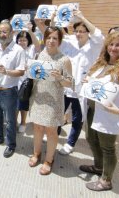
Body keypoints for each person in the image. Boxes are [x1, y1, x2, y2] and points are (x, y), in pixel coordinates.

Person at [80, 31, 119, 191]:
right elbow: (98, 85)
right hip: (93, 110)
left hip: (109, 115)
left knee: (107, 147)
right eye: (111, 44)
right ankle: (98, 167)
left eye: (118, 45)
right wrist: (88, 81)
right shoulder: (102, 63)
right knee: (91, 139)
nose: (113, 48)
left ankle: (106, 181)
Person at [57, 11, 105, 155]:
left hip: (81, 88)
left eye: (82, 31)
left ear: (88, 32)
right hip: (66, 86)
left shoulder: (94, 45)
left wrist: (82, 17)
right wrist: (56, 20)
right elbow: (58, 35)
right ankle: (55, 133)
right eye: (77, 31)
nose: (78, 34)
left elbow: (98, 35)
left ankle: (70, 143)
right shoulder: (70, 42)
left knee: (78, 118)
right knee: (58, 113)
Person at [28, 26, 73, 175]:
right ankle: (36, 153)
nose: (51, 41)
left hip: (54, 100)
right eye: (48, 37)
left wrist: (60, 78)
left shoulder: (64, 60)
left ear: (60, 41)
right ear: (44, 39)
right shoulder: (39, 55)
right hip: (38, 97)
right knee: (38, 127)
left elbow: (70, 82)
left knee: (51, 131)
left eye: (55, 38)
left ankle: (49, 160)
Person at [0, 21, 25, 158]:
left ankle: (11, 144)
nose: (2, 34)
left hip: (8, 91)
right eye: (0, 32)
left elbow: (20, 71)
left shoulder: (18, 50)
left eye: (5, 31)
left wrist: (6, 71)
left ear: (12, 33)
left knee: (10, 120)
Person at [14, 25, 41, 133]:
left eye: (24, 40)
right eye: (20, 40)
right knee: (15, 103)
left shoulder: (32, 49)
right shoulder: (15, 49)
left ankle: (23, 122)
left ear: (28, 41)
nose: (22, 42)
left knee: (24, 104)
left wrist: (29, 30)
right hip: (15, 80)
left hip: (27, 82)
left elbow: (38, 45)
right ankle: (14, 121)